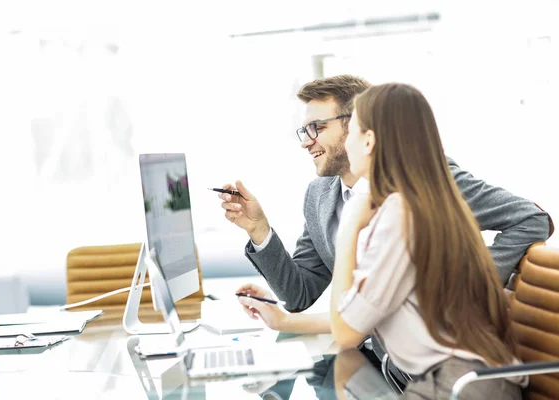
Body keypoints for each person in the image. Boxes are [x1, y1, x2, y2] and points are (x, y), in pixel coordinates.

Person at [219, 75, 550, 332]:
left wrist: (470, 286)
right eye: (303, 131)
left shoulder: (427, 178)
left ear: (358, 125)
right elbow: (299, 294)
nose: (307, 143)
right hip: (374, 358)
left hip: (436, 359)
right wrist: (259, 230)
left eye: (317, 128)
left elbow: (531, 218)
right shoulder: (319, 196)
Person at [327, 82, 525, 398]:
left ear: (369, 140)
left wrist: (349, 228)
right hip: (468, 381)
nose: (346, 143)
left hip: (459, 386)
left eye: (350, 131)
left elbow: (346, 331)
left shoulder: (400, 213)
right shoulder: (426, 201)